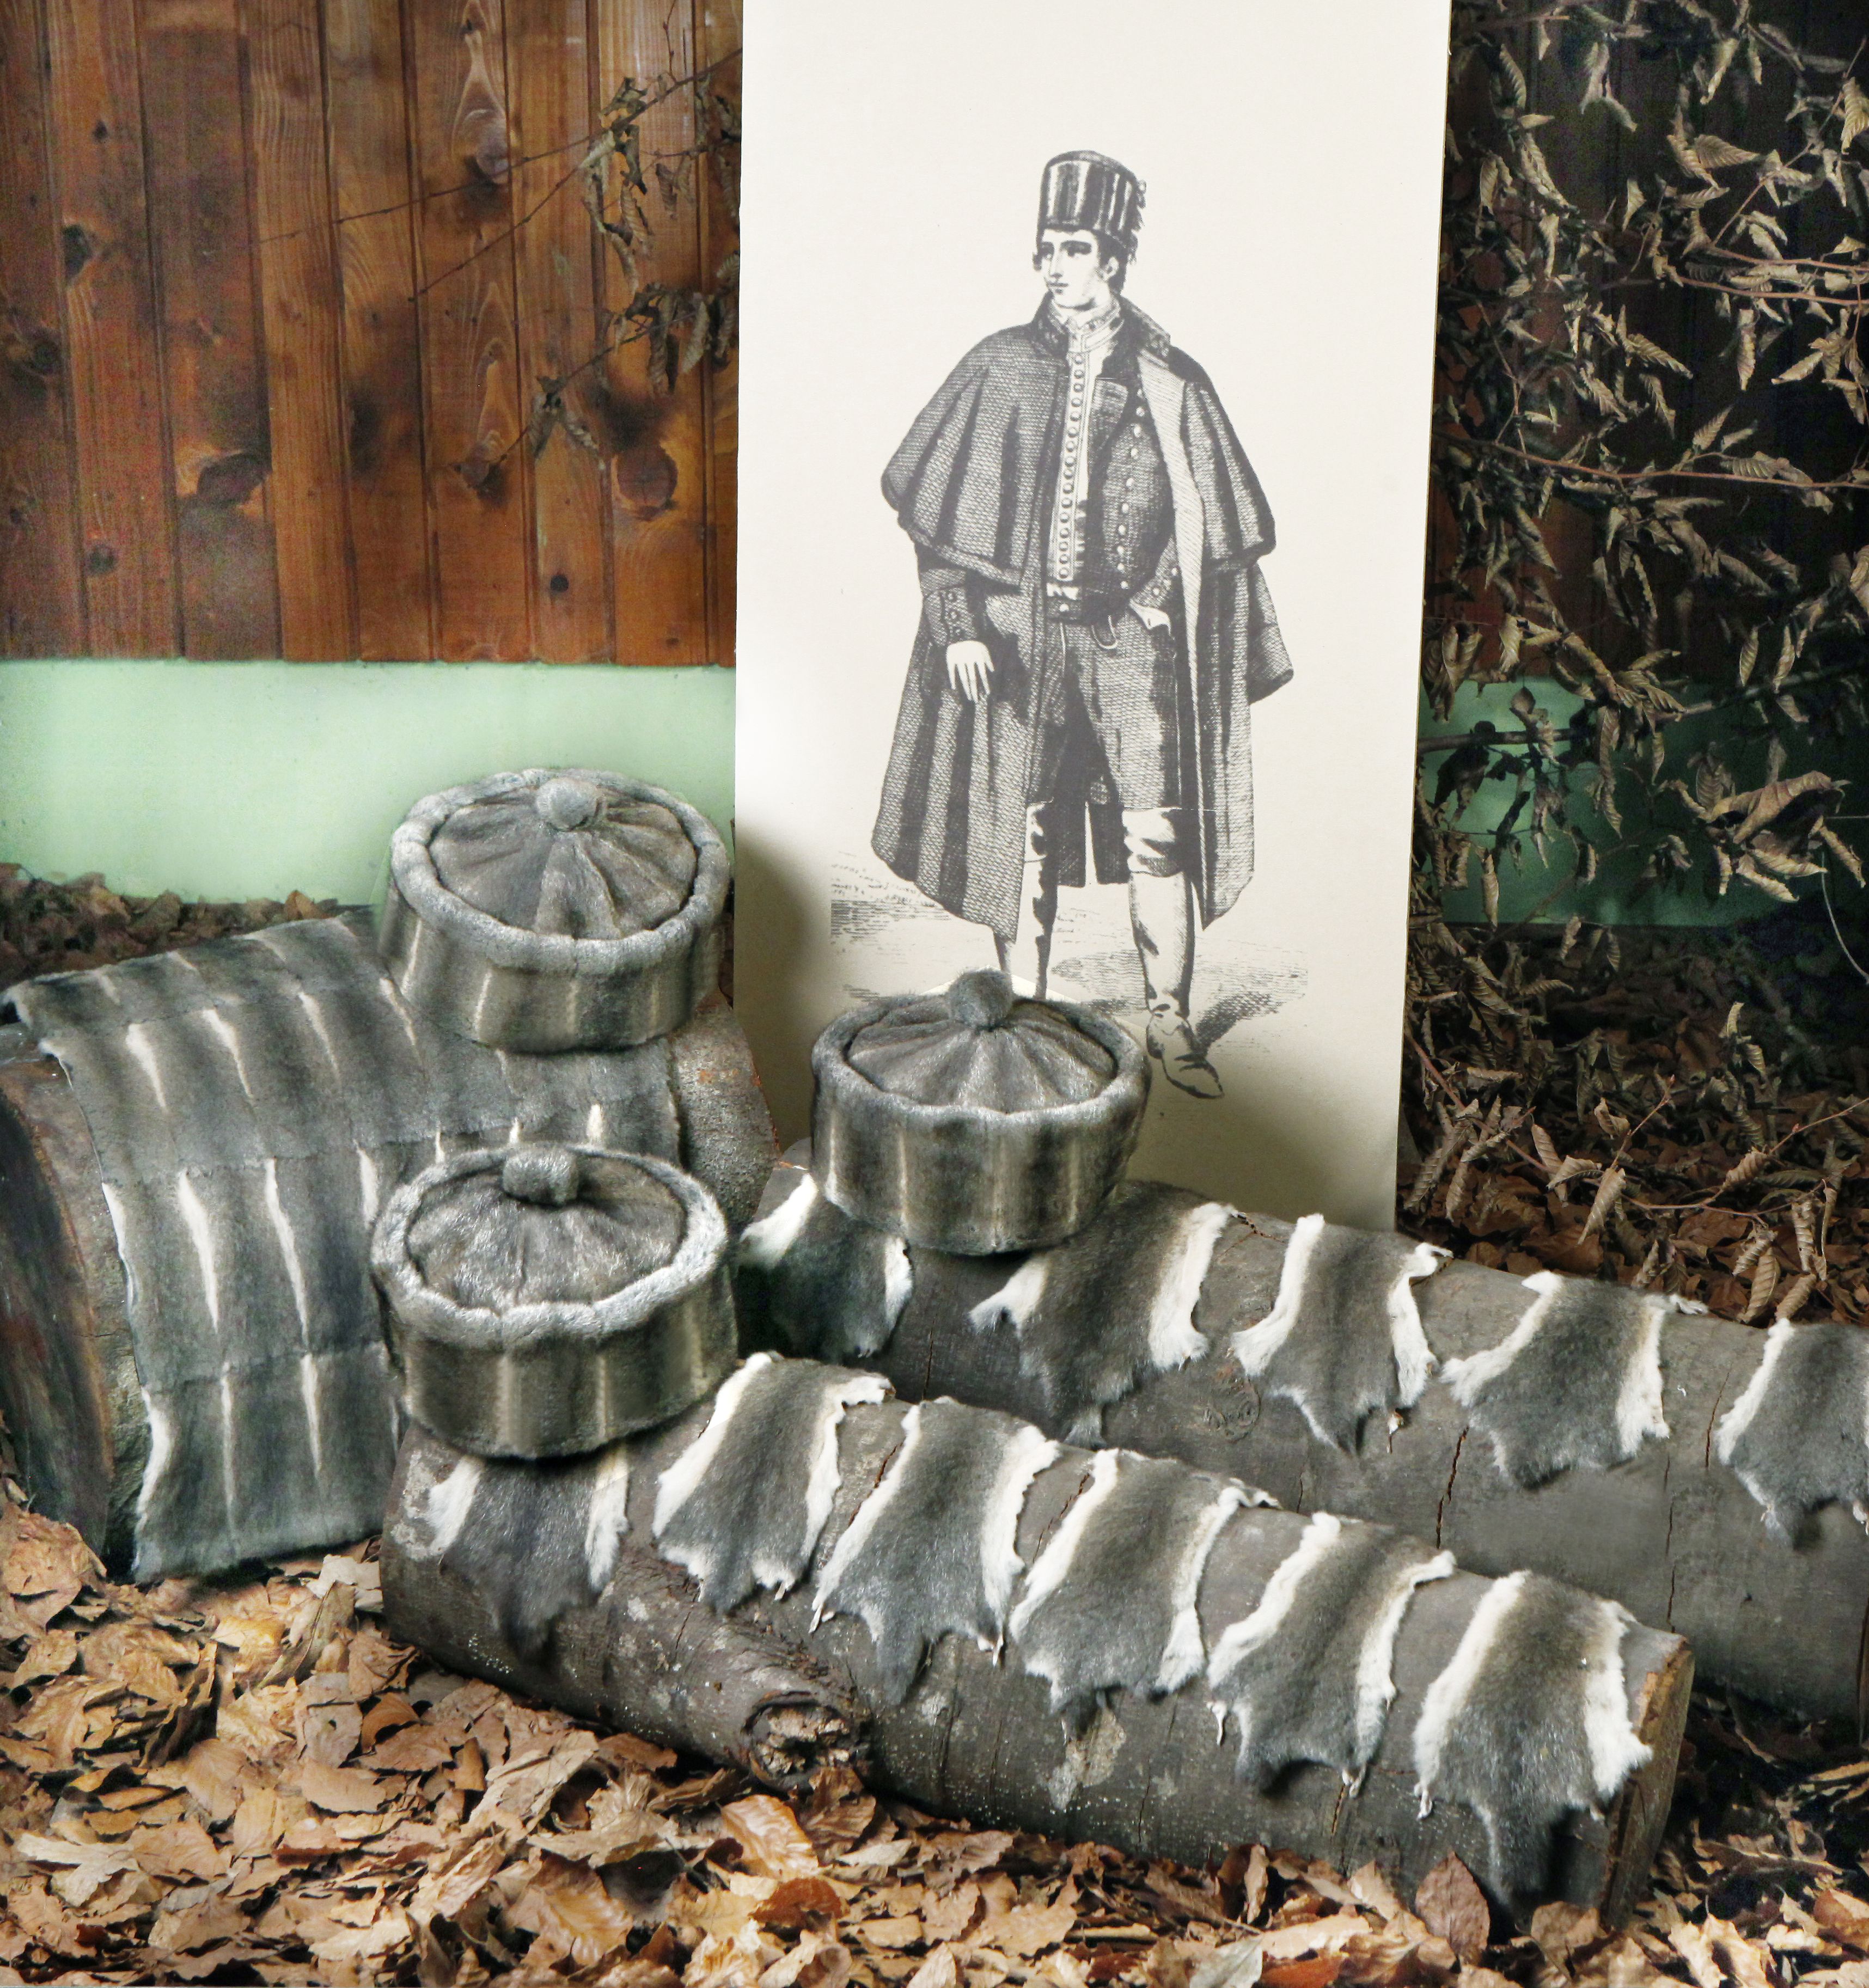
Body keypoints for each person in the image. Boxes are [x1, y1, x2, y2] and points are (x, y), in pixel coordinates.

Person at [872, 150, 1292, 1099]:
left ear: (1114, 257)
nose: (1053, 266)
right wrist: (959, 624)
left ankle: (1169, 1020)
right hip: (1020, 638)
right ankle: (1023, 1014)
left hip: (1131, 644)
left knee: (1159, 835)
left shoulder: (1172, 378)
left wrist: (1156, 605)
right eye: (1047, 248)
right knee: (1021, 827)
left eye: (1073, 248)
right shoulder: (998, 366)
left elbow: (1212, 531)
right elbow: (939, 527)